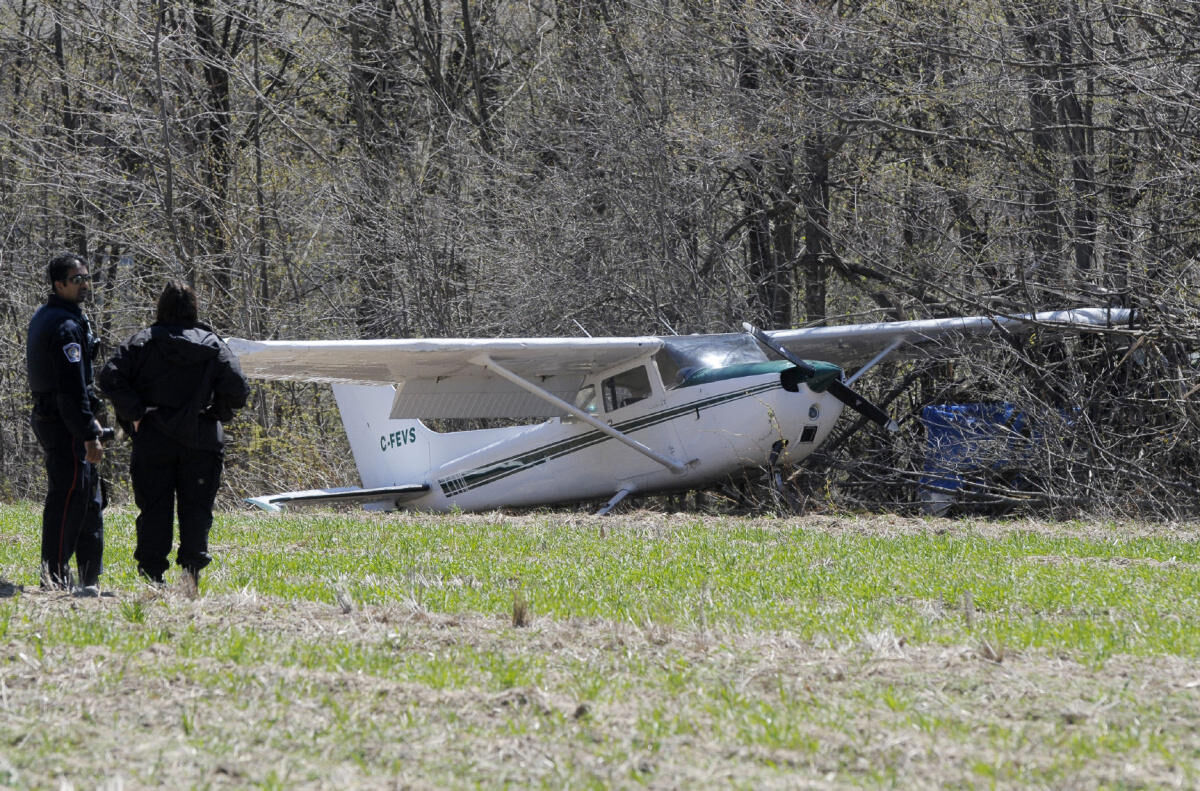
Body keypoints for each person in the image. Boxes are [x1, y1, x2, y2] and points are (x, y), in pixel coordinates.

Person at [98, 281, 250, 590]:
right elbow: (238, 389)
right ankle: (191, 574)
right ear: (194, 309)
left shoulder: (141, 343)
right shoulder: (214, 345)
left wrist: (136, 412)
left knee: (154, 507)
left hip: (154, 437)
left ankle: (153, 576)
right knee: (196, 509)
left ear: (160, 308)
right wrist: (213, 413)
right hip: (201, 439)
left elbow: (109, 377)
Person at [26, 253, 107, 594]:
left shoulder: (58, 316)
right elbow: (70, 390)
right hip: (65, 423)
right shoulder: (64, 325)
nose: (85, 284)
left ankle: (89, 580)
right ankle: (54, 578)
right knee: (69, 497)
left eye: (87, 278)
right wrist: (89, 433)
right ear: (58, 284)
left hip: (63, 419)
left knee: (88, 499)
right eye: (77, 279)